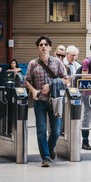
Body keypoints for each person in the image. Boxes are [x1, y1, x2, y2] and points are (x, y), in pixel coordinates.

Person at [25, 36, 69, 167]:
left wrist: (51, 85)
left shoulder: (57, 63)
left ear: (50, 47)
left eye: (45, 44)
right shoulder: (33, 64)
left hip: (55, 101)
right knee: (41, 130)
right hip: (39, 101)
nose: (43, 46)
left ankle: (50, 149)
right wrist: (33, 90)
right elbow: (27, 80)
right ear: (38, 48)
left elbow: (67, 80)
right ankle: (45, 157)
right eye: (40, 45)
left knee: (56, 131)